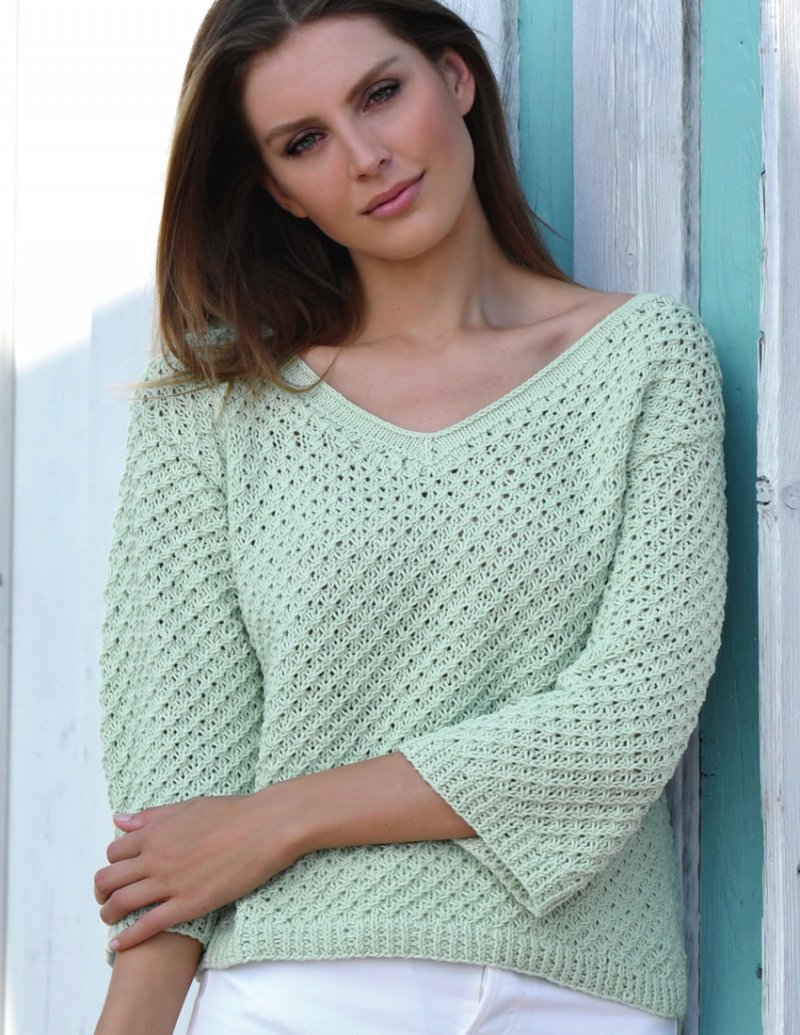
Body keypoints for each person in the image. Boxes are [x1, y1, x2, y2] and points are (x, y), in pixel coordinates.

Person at [92, 1, 727, 1032]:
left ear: (455, 79)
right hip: (295, 993)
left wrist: (282, 818)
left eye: (380, 94)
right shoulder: (214, 404)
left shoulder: (643, 362)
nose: (366, 157)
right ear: (278, 190)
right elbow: (179, 789)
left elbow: (629, 713)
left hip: (579, 993)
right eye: (304, 142)